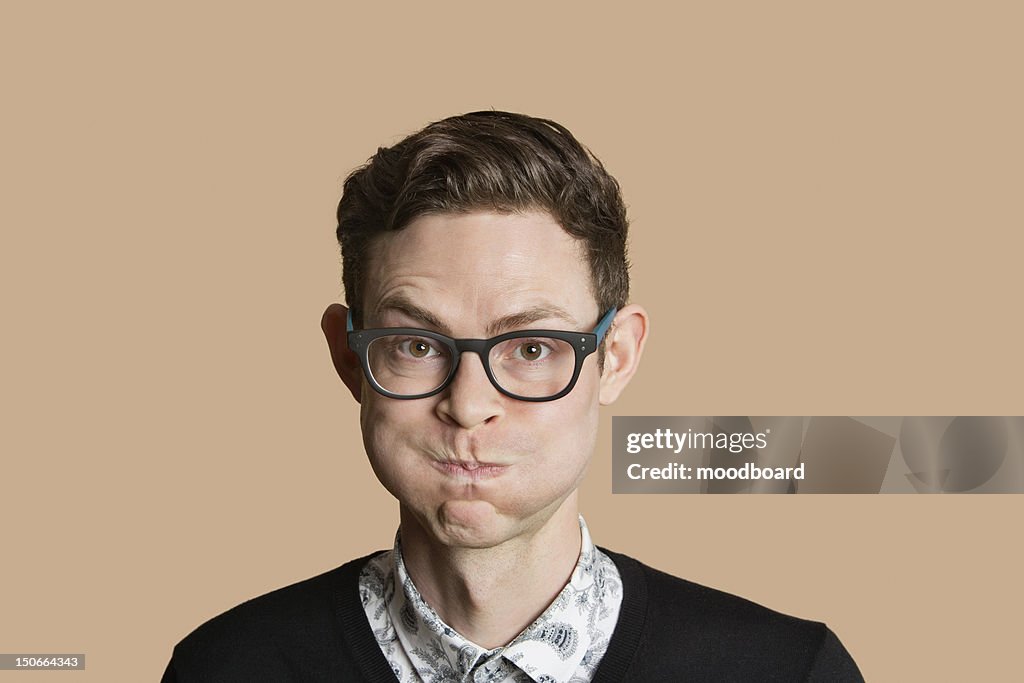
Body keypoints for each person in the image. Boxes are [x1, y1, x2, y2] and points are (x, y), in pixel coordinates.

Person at [161, 111, 863, 682]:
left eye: (530, 348)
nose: (468, 405)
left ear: (614, 358)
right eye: (415, 344)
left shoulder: (787, 673)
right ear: (350, 358)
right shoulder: (225, 668)